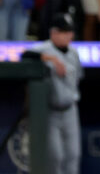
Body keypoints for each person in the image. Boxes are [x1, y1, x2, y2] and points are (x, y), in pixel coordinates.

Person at [22, 14, 83, 174]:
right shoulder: (43, 48)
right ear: (53, 33)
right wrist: (51, 59)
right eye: (63, 31)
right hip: (51, 112)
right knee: (55, 157)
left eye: (69, 31)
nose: (68, 35)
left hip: (70, 110)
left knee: (73, 155)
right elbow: (24, 55)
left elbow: (79, 77)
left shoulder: (74, 53)